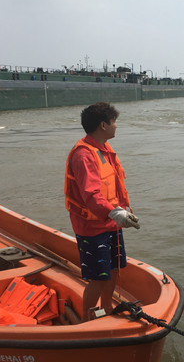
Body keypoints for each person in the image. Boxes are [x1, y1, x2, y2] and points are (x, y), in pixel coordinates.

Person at [64, 102, 140, 322]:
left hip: (111, 223)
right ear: (103, 125)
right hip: (92, 227)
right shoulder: (84, 155)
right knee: (98, 278)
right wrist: (115, 213)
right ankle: (87, 319)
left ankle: (107, 308)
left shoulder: (104, 149)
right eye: (114, 122)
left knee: (114, 269)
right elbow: (91, 195)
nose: (117, 126)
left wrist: (120, 213)